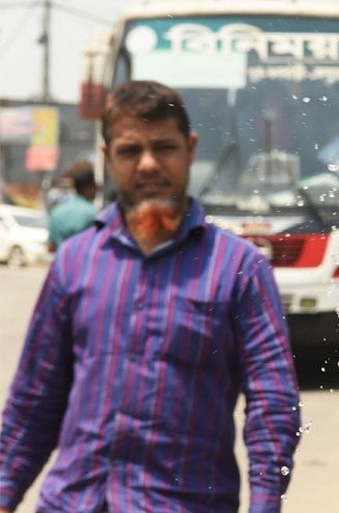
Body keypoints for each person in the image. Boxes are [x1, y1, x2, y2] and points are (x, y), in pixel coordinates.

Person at [0, 80, 301, 513]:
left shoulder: (239, 268)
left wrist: (266, 504)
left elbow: (272, 403)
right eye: (129, 151)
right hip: (72, 502)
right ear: (107, 158)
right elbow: (34, 401)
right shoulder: (75, 261)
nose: (147, 164)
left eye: (163, 147)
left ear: (190, 149)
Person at [47, 167, 98, 251]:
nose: (96, 190)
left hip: (60, 262)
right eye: (95, 187)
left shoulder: (56, 212)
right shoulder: (93, 213)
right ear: (89, 188)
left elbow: (51, 246)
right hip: (82, 262)